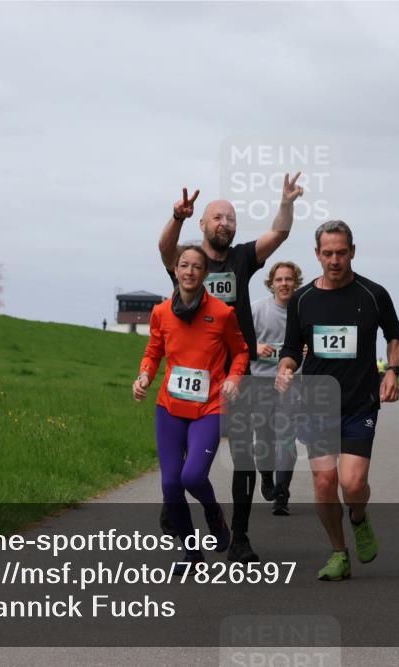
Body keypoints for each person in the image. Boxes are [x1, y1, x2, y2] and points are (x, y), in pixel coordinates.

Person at [157, 175, 304, 563]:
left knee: (243, 456)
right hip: (192, 378)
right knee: (184, 462)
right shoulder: (188, 264)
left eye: (231, 218)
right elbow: (165, 248)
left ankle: (239, 537)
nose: (225, 223)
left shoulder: (241, 258)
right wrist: (177, 217)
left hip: (240, 377)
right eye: (217, 217)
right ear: (203, 225)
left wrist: (286, 201)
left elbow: (279, 234)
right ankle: (176, 507)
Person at [275, 220, 399, 581]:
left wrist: (392, 370)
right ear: (317, 254)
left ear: (352, 252)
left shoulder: (373, 294)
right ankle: (338, 553)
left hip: (359, 404)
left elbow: (395, 336)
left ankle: (359, 518)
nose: (335, 260)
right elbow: (290, 349)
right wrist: (286, 368)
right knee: (323, 483)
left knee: (351, 484)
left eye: (341, 253)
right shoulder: (302, 299)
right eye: (328, 253)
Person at [133, 245, 249, 563]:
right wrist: (144, 376)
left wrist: (234, 379)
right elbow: (154, 351)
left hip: (209, 407)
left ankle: (214, 515)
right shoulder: (161, 312)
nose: (189, 271)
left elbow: (241, 351)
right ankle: (191, 551)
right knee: (171, 485)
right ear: (175, 270)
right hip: (169, 408)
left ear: (205, 274)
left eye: (197, 267)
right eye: (183, 265)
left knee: (193, 477)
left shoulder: (222, 313)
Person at [251, 261, 304, 515]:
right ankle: (266, 476)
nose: (284, 284)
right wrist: (255, 348)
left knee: (286, 440)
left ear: (296, 282)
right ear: (271, 283)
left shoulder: (304, 311)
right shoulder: (257, 310)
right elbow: (238, 341)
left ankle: (281, 494)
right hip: (260, 383)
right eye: (279, 279)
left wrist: (308, 350)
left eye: (289, 279)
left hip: (291, 384)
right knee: (264, 439)